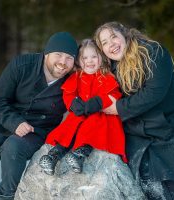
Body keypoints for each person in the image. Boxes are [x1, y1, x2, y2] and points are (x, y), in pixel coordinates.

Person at [0, 32, 78, 200]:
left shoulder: (73, 81)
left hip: (38, 131)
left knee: (12, 147)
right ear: (46, 53)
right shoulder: (22, 65)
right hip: (5, 123)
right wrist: (15, 123)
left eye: (69, 58)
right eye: (58, 55)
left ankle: (7, 197)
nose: (63, 62)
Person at [94, 22, 174, 200]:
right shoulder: (110, 69)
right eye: (104, 42)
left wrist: (118, 108)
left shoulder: (153, 52)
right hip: (138, 136)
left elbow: (154, 93)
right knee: (149, 185)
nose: (111, 44)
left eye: (114, 36)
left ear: (125, 35)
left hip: (170, 130)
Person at [39, 39, 127, 176]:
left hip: (101, 115)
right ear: (79, 61)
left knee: (92, 128)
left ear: (101, 58)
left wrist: (98, 102)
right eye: (85, 57)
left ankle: (79, 155)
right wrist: (73, 103)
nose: (89, 61)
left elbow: (114, 94)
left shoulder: (106, 77)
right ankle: (53, 155)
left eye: (93, 57)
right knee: (70, 128)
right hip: (80, 114)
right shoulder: (76, 76)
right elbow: (68, 93)